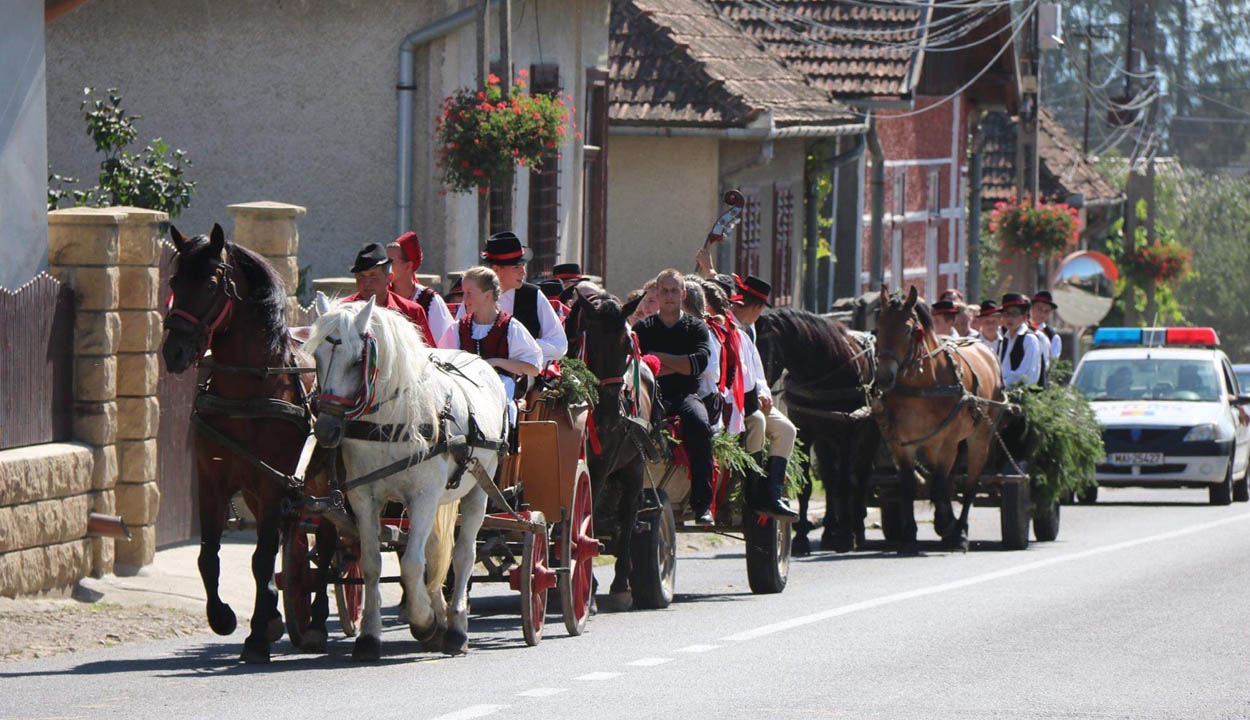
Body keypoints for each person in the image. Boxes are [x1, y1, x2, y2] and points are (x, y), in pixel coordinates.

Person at [632, 269, 716, 525]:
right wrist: (676, 363)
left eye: (674, 291)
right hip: (648, 395)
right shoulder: (642, 328)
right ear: (656, 293)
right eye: (664, 290)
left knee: (700, 425)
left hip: (684, 396)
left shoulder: (696, 328)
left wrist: (657, 359)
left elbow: (698, 364)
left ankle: (702, 505)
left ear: (684, 293)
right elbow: (638, 365)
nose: (669, 296)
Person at [728, 273, 799, 520]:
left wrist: (764, 394)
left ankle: (773, 494)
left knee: (787, 430)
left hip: (754, 397)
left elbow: (756, 370)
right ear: (756, 306)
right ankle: (753, 488)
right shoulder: (727, 325)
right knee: (756, 422)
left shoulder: (750, 329)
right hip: (734, 400)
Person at [438, 267, 542, 412]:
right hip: (464, 396)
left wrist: (496, 362)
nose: (465, 299)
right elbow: (441, 363)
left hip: (500, 398)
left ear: (488, 295)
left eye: (469, 293)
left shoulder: (510, 327)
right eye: (464, 293)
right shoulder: (458, 329)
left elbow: (533, 368)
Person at [457, 231, 567, 367]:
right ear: (496, 269)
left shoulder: (533, 295)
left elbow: (558, 343)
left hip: (521, 376)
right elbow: (458, 335)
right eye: (516, 267)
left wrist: (520, 348)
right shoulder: (474, 296)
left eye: (523, 266)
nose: (523, 272)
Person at [344, 242, 436, 347]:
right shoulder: (344, 310)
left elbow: (428, 354)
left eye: (373, 275)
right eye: (361, 276)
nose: (366, 283)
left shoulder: (411, 312)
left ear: (389, 278)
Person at [387, 232, 455, 347]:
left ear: (408, 266)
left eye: (390, 262)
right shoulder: (382, 296)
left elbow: (445, 345)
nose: (385, 267)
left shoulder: (430, 301)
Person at [997, 292, 1044, 388]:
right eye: (1006, 313)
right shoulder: (1005, 339)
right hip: (1004, 394)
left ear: (1024, 317)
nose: (1009, 318)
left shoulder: (1029, 339)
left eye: (1014, 314)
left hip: (1024, 396)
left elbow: (1027, 375)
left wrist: (1003, 385)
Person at [1030, 291, 1063, 361]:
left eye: (1046, 311)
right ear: (1032, 308)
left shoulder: (1053, 337)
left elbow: (1052, 364)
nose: (1042, 314)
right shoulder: (1020, 329)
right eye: (1039, 309)